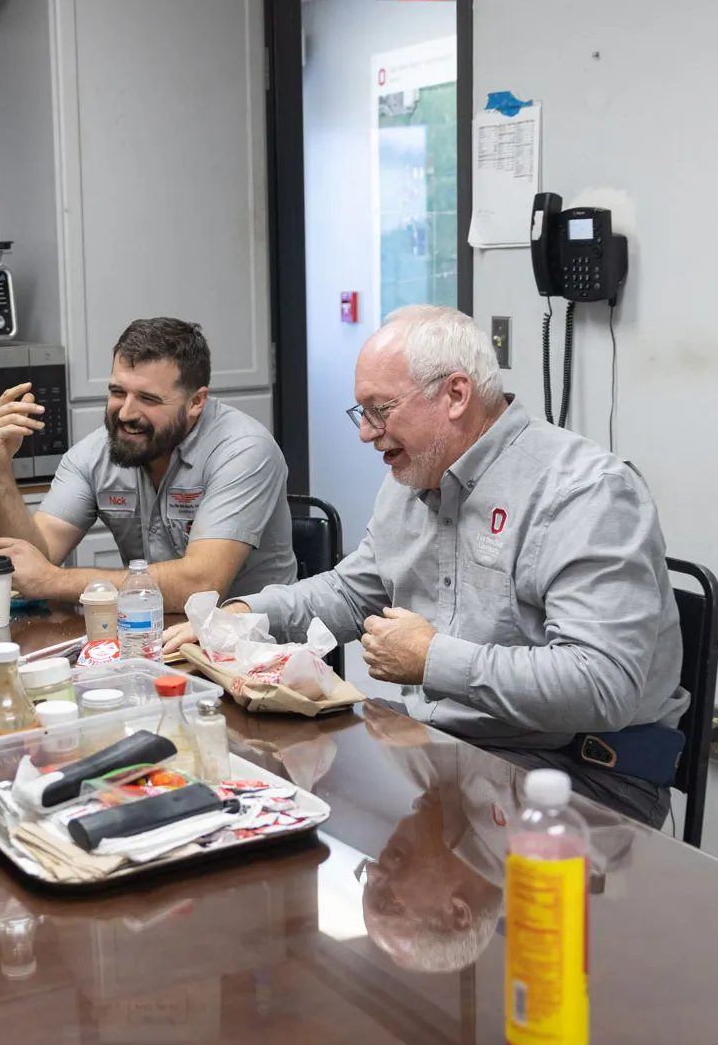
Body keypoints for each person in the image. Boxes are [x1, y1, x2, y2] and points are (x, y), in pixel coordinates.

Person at [163, 305, 686, 827]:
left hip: (581, 776)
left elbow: (602, 685)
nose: (366, 434)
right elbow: (351, 593)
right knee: (256, 795)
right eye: (361, 412)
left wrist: (433, 658)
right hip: (450, 745)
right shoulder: (411, 479)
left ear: (456, 395)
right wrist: (241, 615)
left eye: (379, 410)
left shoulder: (584, 493)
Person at [0, 316, 296, 603]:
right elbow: (32, 560)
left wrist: (55, 580)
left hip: (256, 647)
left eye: (148, 399)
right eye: (118, 392)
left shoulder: (244, 450)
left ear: (196, 402)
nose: (126, 413)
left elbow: (201, 584)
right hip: (151, 635)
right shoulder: (93, 455)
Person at [357, 704, 635, 974]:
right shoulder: (559, 846)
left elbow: (383, 700)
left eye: (367, 883)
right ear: (458, 912)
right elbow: (564, 704)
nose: (372, 870)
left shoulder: (403, 755)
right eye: (386, 901)